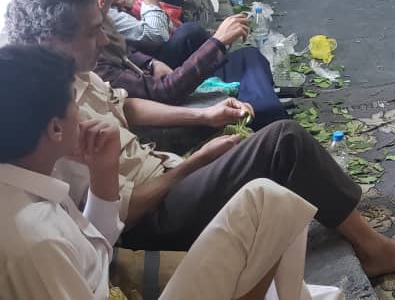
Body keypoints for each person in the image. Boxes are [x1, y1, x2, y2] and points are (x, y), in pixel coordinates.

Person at [3, 0, 395, 274]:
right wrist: (196, 163)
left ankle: (332, 207)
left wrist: (203, 115)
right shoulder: (48, 124)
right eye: (91, 32)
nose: (103, 40)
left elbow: (127, 106)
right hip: (152, 220)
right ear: (49, 41)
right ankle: (373, 249)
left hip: (166, 173)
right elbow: (118, 217)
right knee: (281, 141)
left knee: (258, 136)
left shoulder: (73, 74)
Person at [0, 44, 342, 299]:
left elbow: (94, 249)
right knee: (270, 203)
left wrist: (104, 173)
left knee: (268, 201)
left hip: (109, 269)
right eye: (74, 105)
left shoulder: (30, 181)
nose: (83, 114)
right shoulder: (33, 240)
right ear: (55, 129)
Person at [56, 0, 287, 129]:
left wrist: (150, 63)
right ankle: (268, 120)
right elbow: (162, 92)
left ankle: (264, 114)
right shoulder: (87, 64)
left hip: (150, 84)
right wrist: (217, 42)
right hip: (160, 106)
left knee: (242, 55)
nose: (104, 38)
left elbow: (127, 52)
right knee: (274, 120)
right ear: (101, 0)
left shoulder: (89, 24)